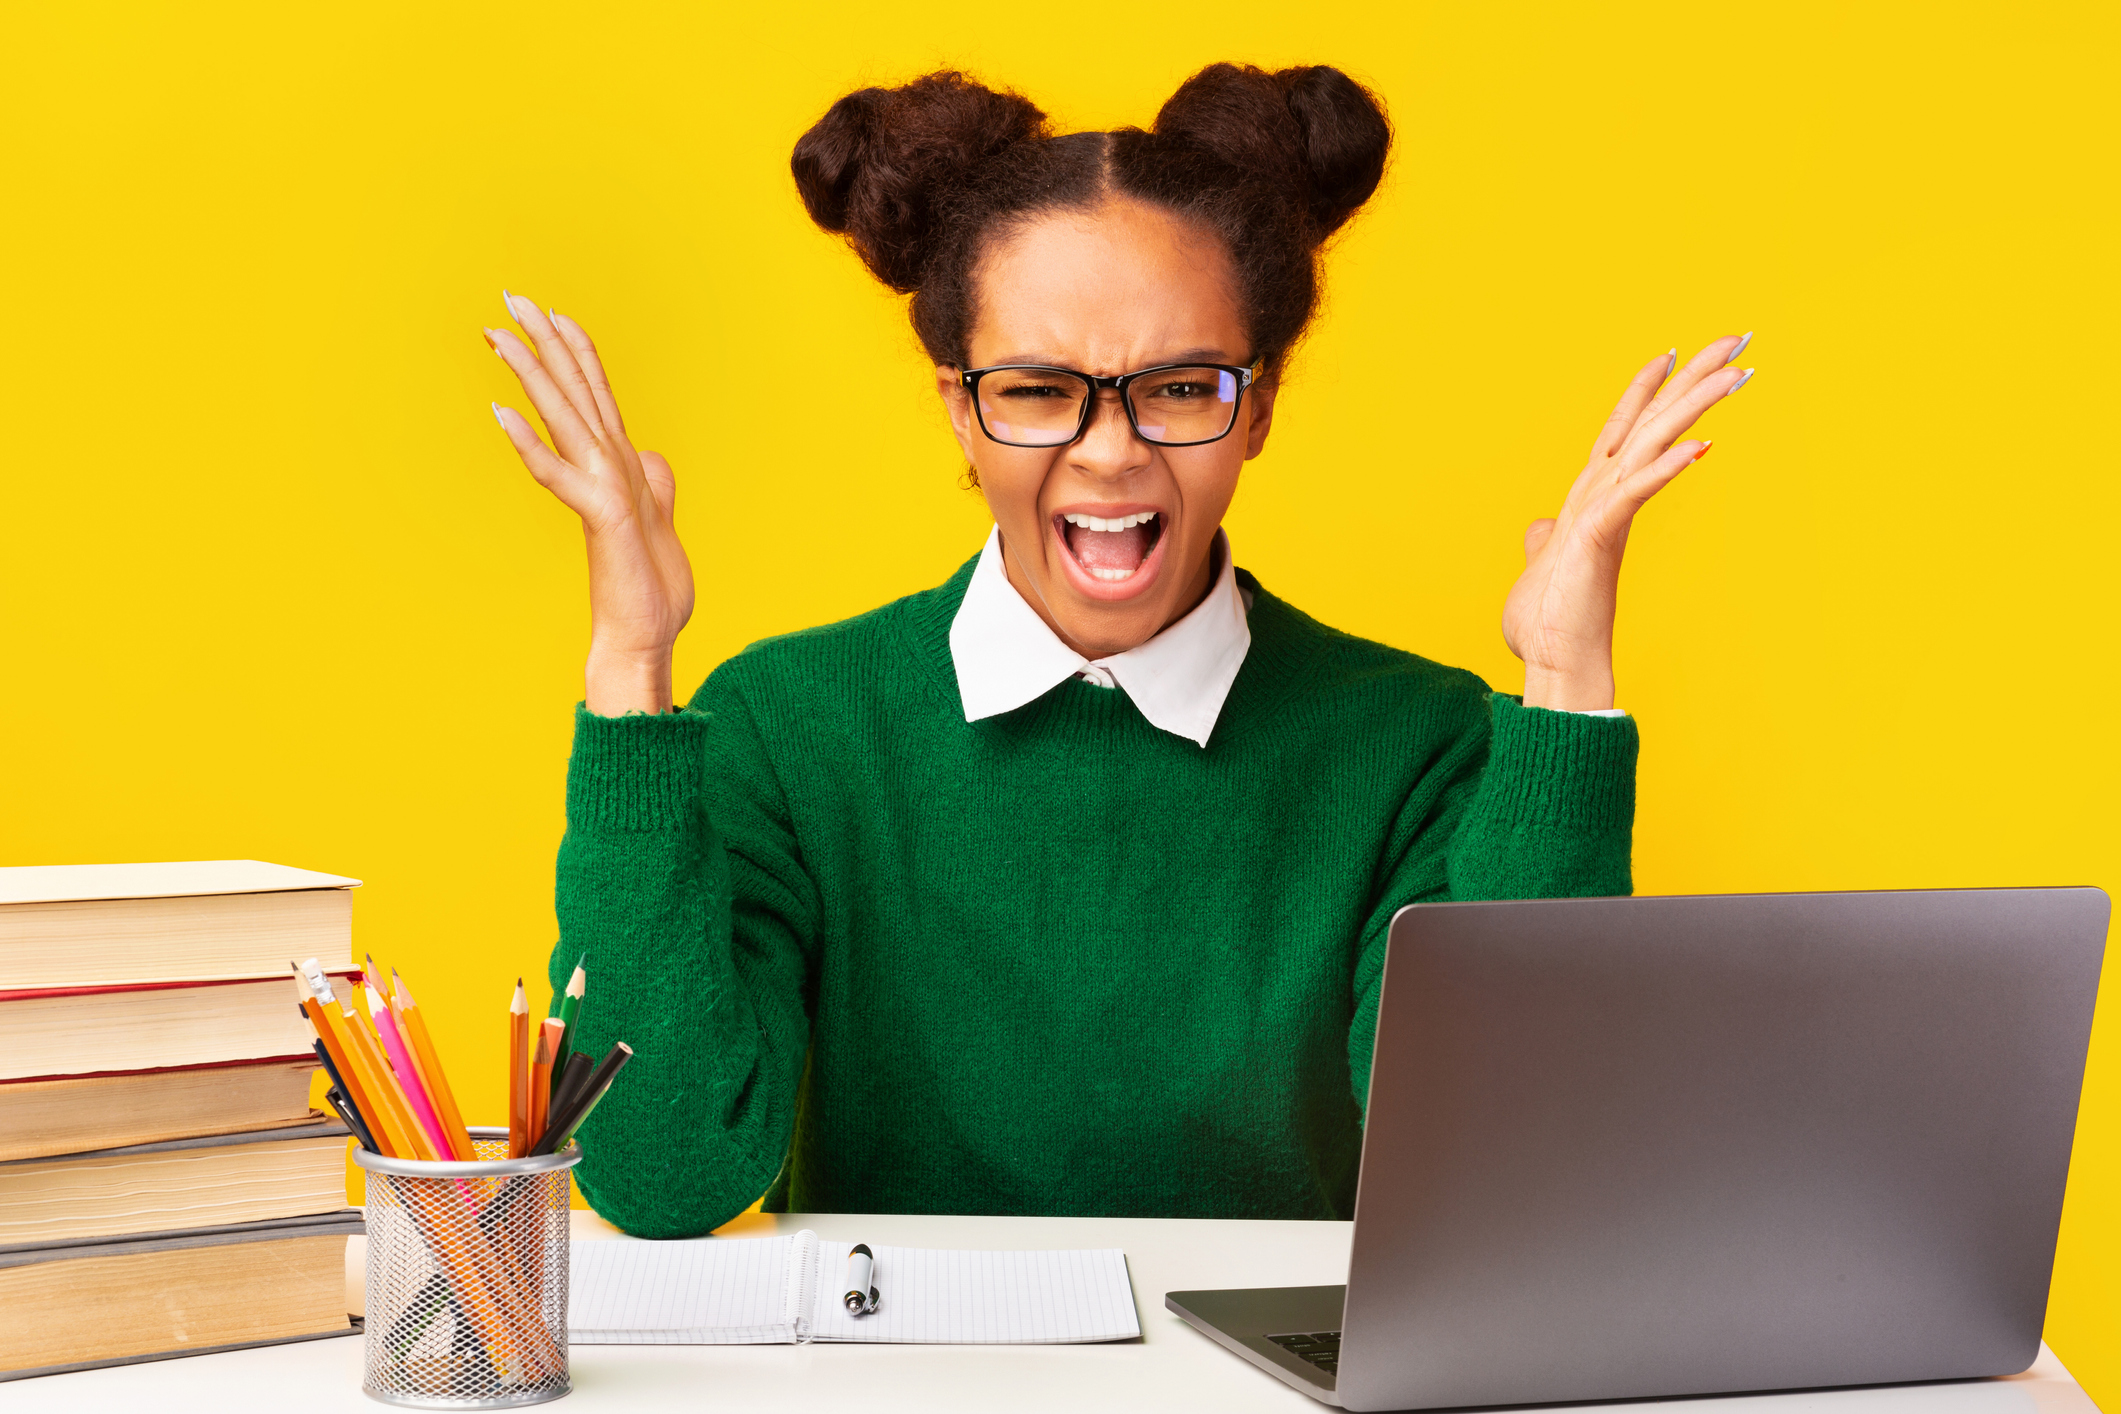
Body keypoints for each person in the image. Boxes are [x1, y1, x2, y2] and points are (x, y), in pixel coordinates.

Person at [485, 64, 1753, 1237]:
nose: (1109, 451)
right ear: (960, 413)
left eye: (1180, 386)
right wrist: (630, 670)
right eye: (1038, 389)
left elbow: (1510, 1176)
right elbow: (662, 1174)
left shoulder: (1418, 741)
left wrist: (1565, 693)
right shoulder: (786, 721)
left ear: (1254, 409)